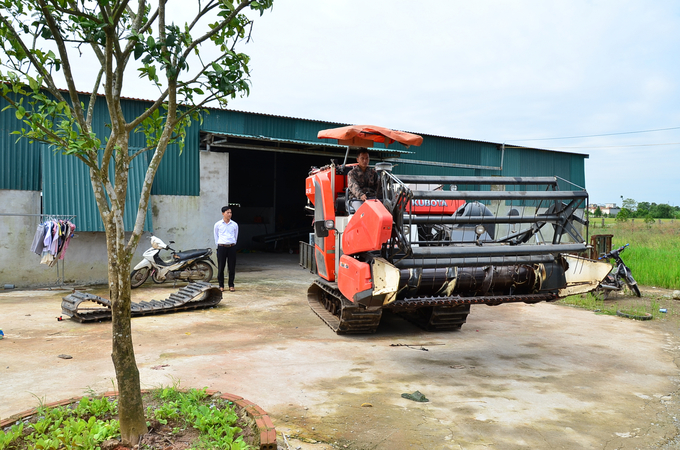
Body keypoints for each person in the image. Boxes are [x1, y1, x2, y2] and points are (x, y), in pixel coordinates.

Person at [347, 148, 382, 212]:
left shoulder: (373, 173)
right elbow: (354, 186)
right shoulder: (352, 173)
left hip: (372, 198)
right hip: (357, 199)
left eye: (367, 158)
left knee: (381, 211)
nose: (365, 160)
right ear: (357, 159)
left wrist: (390, 194)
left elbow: (379, 187)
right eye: (362, 158)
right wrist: (361, 195)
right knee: (362, 212)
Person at [214, 206, 239, 292]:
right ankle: (221, 285)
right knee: (221, 267)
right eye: (227, 212)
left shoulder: (234, 224)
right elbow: (216, 236)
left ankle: (231, 285)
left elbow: (236, 236)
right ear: (223, 213)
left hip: (231, 247)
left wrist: (233, 243)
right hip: (222, 247)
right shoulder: (218, 224)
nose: (229, 214)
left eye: (230, 213)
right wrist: (219, 244)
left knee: (231, 267)